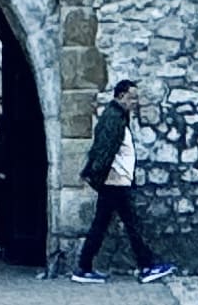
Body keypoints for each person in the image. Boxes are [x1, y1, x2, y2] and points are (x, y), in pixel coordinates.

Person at [74, 76, 176, 283]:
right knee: (129, 224)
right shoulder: (114, 118)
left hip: (116, 181)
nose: (135, 102)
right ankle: (146, 265)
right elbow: (104, 150)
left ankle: (84, 267)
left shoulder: (117, 116)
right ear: (121, 96)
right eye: (132, 98)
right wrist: (99, 175)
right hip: (114, 182)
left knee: (106, 224)